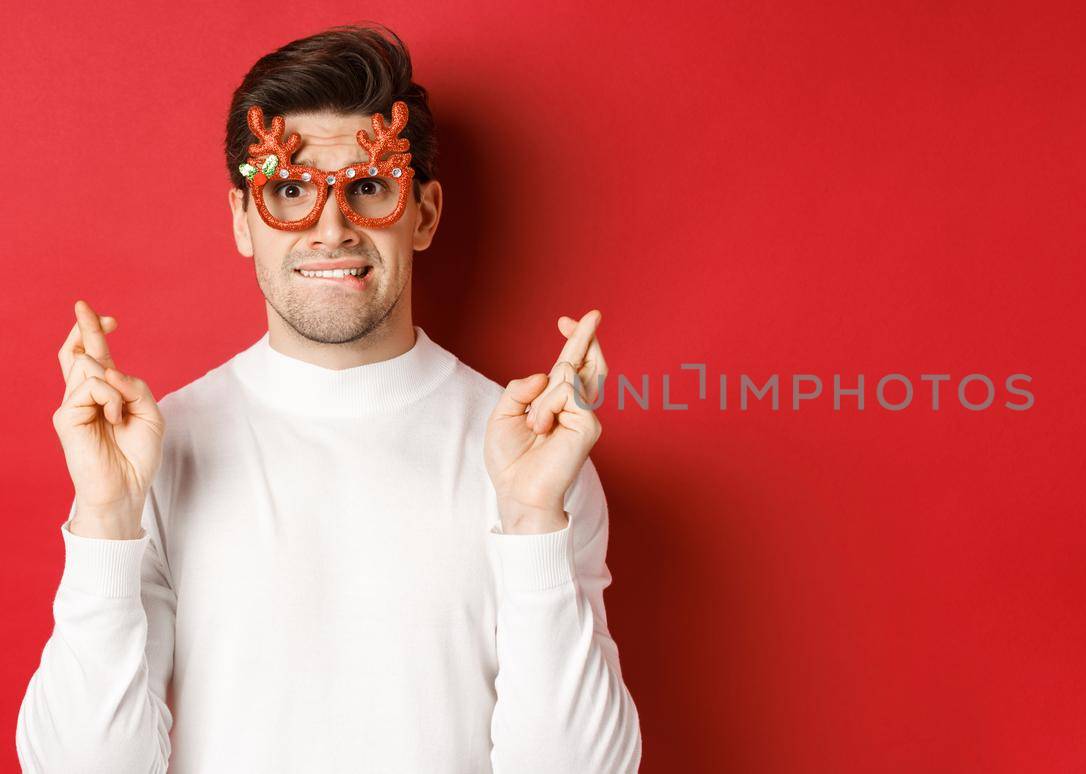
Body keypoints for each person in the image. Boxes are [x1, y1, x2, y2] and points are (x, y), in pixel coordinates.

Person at [14, 23, 642, 773]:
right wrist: (107, 522)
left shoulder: (532, 460)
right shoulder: (157, 453)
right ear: (243, 220)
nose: (332, 228)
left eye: (369, 187)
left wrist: (535, 521)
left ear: (426, 213)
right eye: (288, 190)